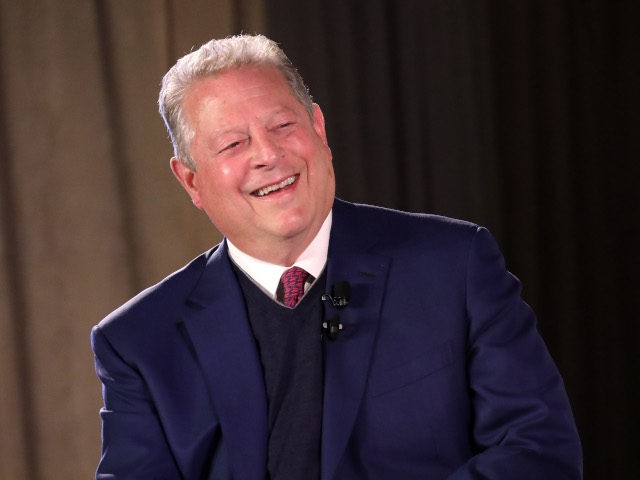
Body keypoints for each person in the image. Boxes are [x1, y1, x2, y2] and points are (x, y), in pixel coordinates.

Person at [91, 34, 582, 479]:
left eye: (283, 125)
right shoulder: (139, 341)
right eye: (234, 144)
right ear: (191, 180)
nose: (268, 154)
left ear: (319, 128)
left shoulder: (454, 265)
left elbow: (538, 450)